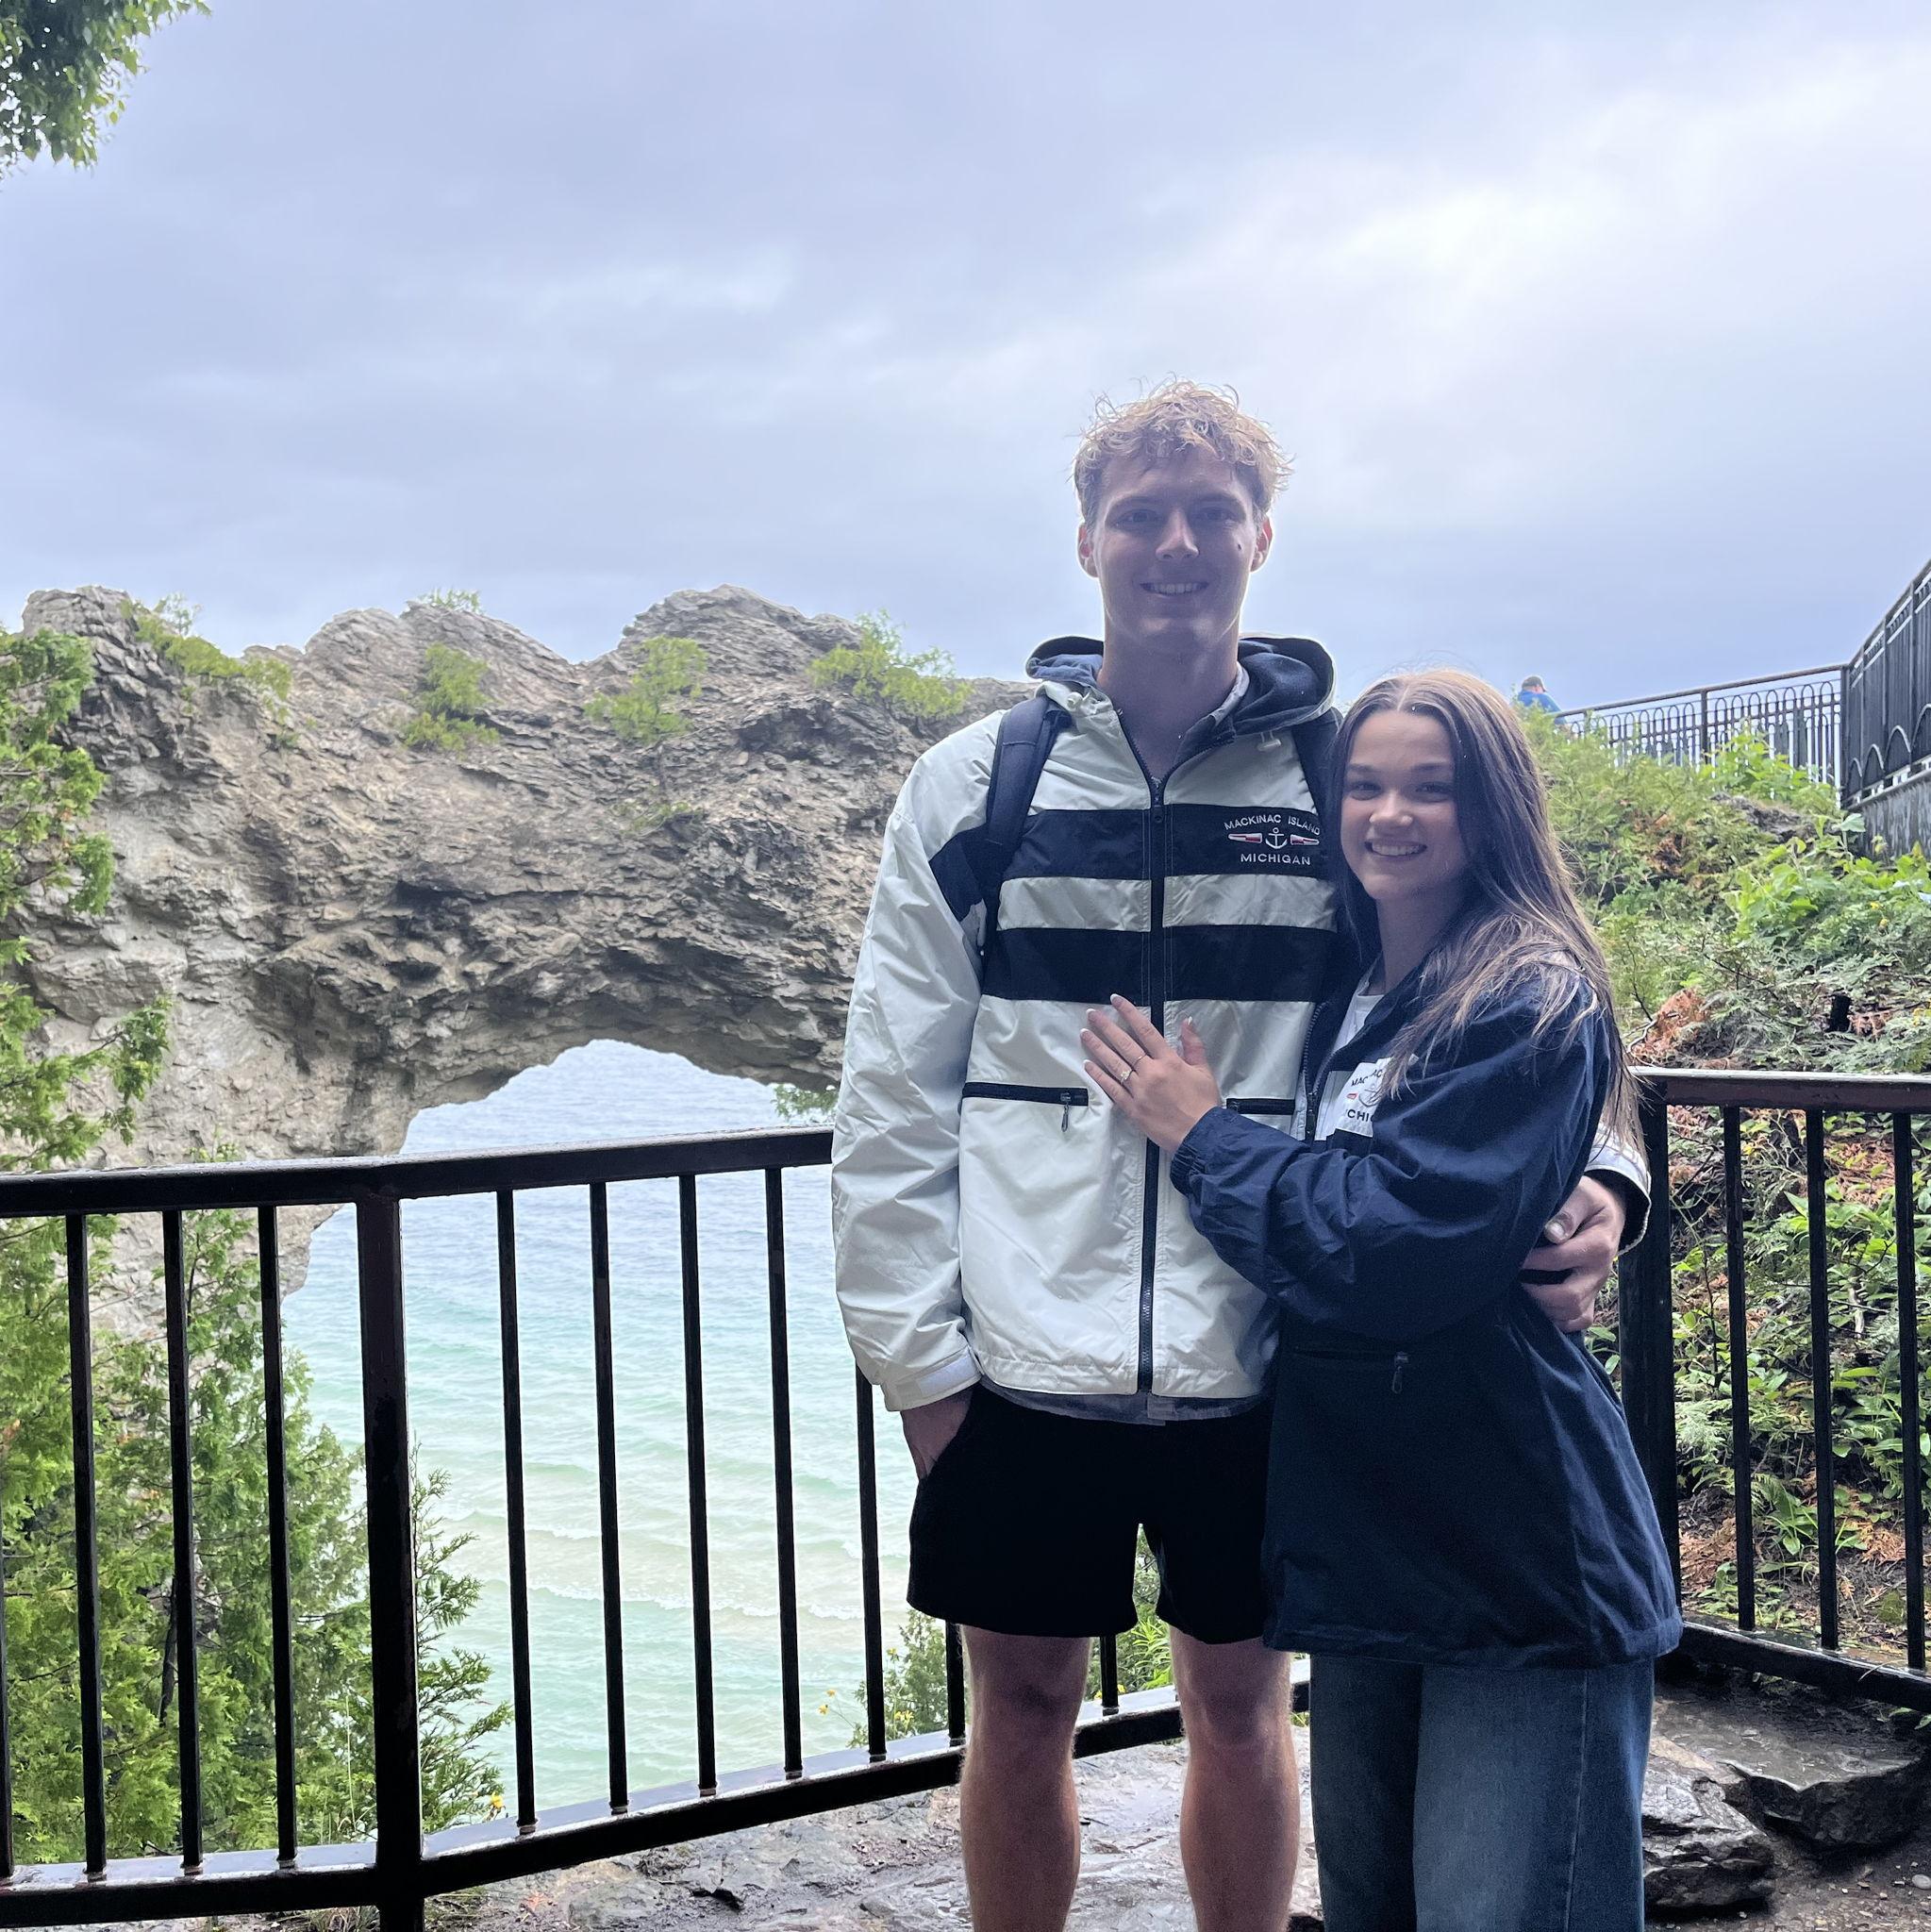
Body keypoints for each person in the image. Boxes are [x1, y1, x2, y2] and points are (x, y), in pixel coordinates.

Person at [830, 383, 1645, 1932]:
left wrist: (1606, 1174)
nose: (1177, 545)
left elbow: (1495, 984)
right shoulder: (978, 787)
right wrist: (920, 1368)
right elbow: (890, 1095)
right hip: (1018, 1361)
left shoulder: (1335, 779)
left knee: (1244, 1708)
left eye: (1213, 513)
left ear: (1262, 538)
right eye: (1140, 514)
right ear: (1087, 541)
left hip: (1265, 1351)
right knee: (1018, 1710)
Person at [1085, 667, 1678, 1932]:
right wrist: (1613, 1172)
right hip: (1379, 1546)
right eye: (1363, 785)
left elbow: (1393, 1248)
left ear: (1493, 808)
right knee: (1378, 1909)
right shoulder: (1354, 973)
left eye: (1431, 788)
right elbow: (1552, 1132)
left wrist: (1201, 1136)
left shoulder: (1527, 989)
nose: (1389, 816)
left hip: (1516, 1549)